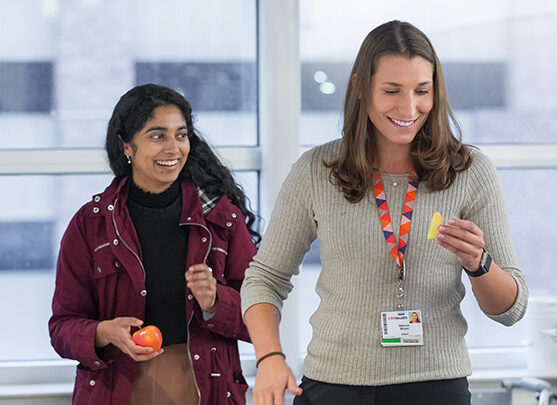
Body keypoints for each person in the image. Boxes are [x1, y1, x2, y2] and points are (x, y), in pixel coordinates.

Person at [240, 20, 528, 405]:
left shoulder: (470, 171)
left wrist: (479, 263)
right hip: (334, 385)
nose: (409, 108)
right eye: (391, 91)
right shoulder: (317, 169)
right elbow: (265, 278)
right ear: (361, 87)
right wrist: (270, 358)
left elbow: (511, 309)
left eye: (422, 91)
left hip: (436, 386)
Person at [49, 83, 259, 405]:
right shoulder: (90, 224)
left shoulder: (221, 219)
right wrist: (104, 332)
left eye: (181, 134)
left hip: (204, 385)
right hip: (116, 388)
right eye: (157, 135)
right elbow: (62, 327)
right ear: (126, 146)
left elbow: (261, 316)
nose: (173, 148)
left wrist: (217, 300)